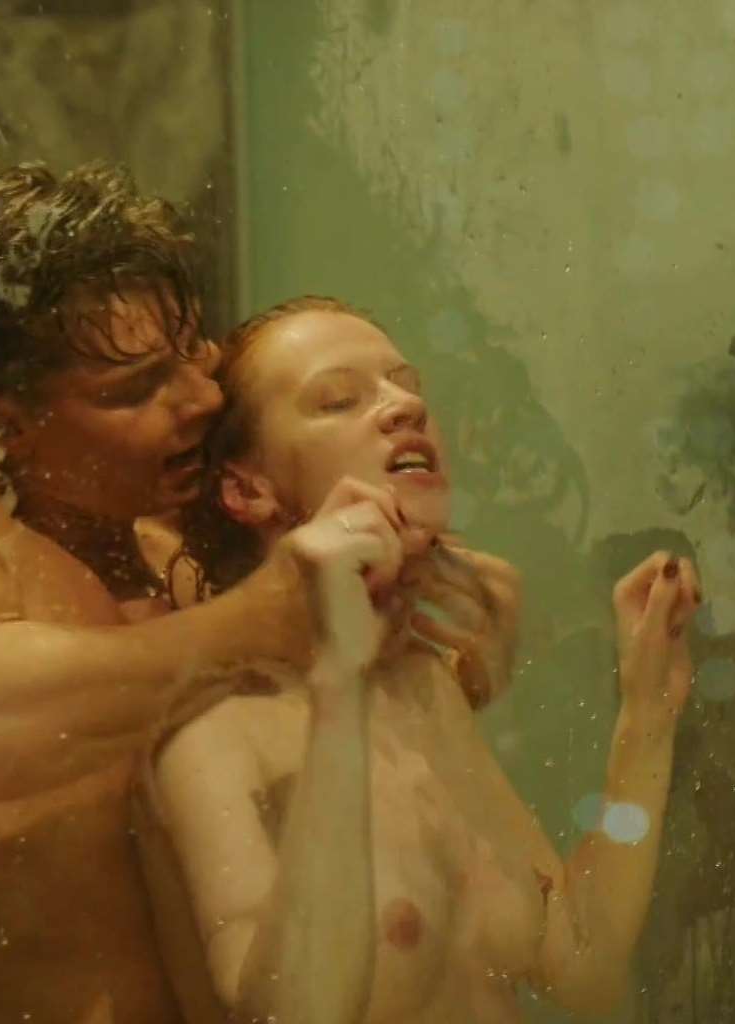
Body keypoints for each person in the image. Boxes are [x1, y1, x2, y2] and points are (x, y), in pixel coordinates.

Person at [0, 167, 508, 1024]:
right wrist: (262, 621)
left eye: (192, 352)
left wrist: (431, 637)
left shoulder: (168, 540)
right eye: (135, 389)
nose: (203, 399)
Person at [137, 297, 703, 1023]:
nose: (405, 405)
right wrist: (338, 681)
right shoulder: (212, 730)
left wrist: (648, 716)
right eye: (338, 400)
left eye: (406, 386)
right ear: (247, 489)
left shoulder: (425, 689)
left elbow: (583, 969)